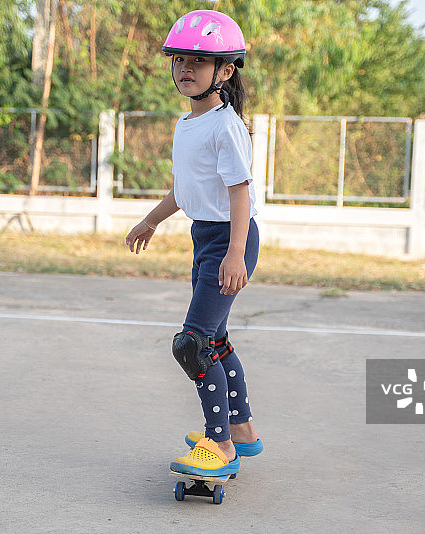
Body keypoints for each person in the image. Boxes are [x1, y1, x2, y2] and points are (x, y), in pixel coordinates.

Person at [125, 9, 263, 478]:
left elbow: (239, 193)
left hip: (230, 238)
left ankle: (219, 445)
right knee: (215, 340)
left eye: (198, 61)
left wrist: (234, 254)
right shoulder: (190, 124)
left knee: (193, 344)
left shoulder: (226, 125)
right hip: (206, 236)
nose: (185, 67)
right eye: (179, 59)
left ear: (225, 71)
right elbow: (186, 191)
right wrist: (150, 220)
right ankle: (240, 430)